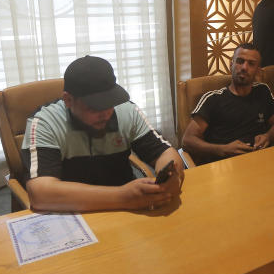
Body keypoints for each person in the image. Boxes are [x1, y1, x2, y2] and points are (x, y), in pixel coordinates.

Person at [21, 55, 183, 212]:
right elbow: (41, 193)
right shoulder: (46, 122)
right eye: (95, 107)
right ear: (68, 100)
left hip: (129, 209)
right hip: (71, 212)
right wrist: (122, 197)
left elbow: (166, 153)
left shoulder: (126, 110)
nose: (105, 113)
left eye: (110, 103)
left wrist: (171, 178)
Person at [181, 43, 274, 164]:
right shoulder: (213, 99)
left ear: (258, 71)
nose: (244, 67)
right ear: (231, 65)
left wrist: (268, 136)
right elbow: (187, 140)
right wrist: (222, 149)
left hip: (261, 160)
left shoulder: (263, 91)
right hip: (225, 166)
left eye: (251, 64)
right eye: (240, 61)